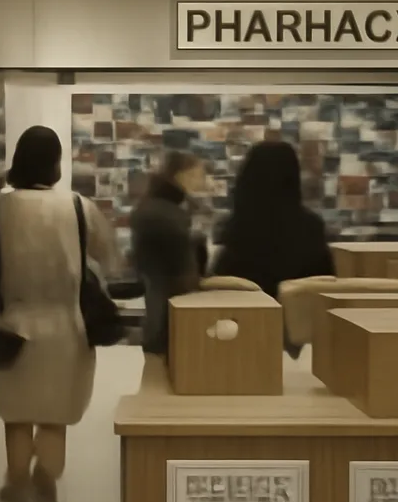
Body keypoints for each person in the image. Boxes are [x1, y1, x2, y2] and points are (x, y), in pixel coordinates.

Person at [0, 125, 115, 502]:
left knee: (17, 413)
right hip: (68, 327)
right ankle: (46, 481)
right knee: (55, 413)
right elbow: (107, 255)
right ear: (56, 163)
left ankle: (18, 482)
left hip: (12, 324)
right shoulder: (79, 207)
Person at [211, 140, 334, 297]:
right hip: (298, 311)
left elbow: (220, 283)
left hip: (243, 309)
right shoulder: (312, 228)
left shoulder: (234, 228)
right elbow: (325, 283)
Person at [129, 151, 207, 357]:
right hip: (168, 311)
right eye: (196, 174)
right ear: (179, 175)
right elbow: (182, 269)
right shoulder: (167, 212)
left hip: (159, 307)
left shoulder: (157, 206)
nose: (201, 181)